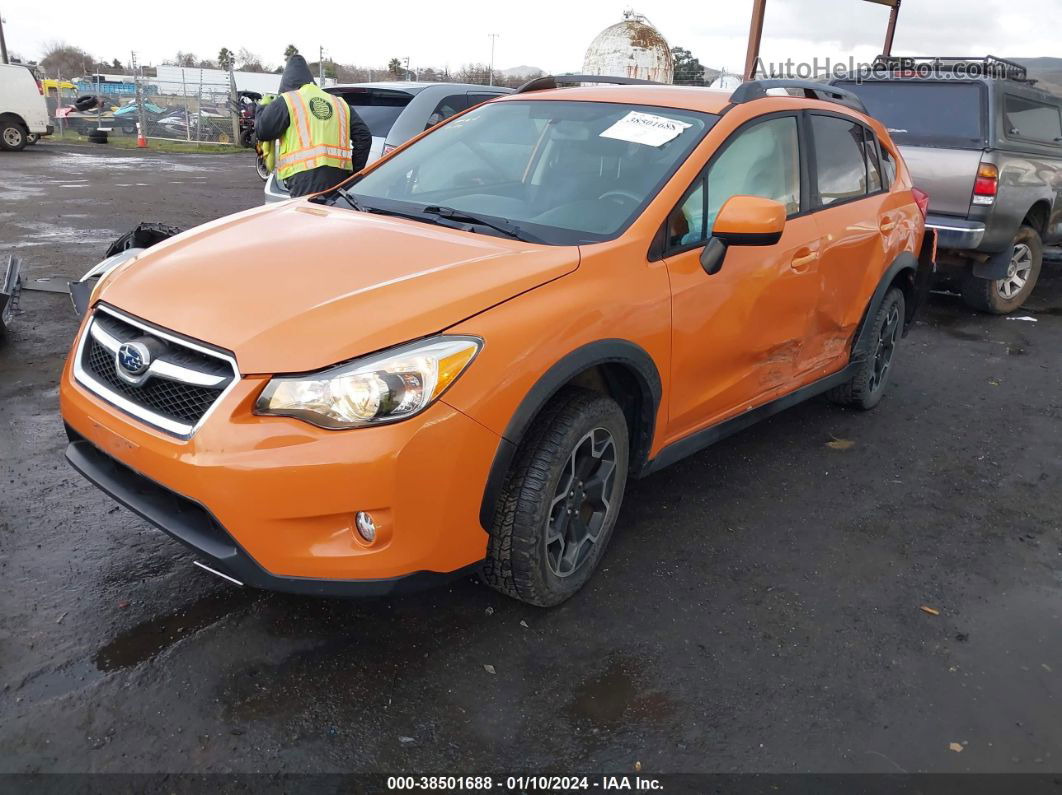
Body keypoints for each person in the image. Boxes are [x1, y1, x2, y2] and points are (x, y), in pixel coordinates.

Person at [255, 54, 372, 197]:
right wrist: (353, 174)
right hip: (339, 179)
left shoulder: (288, 100)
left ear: (286, 83)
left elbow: (263, 131)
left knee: (308, 219)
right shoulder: (339, 103)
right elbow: (364, 136)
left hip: (304, 181)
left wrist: (261, 107)